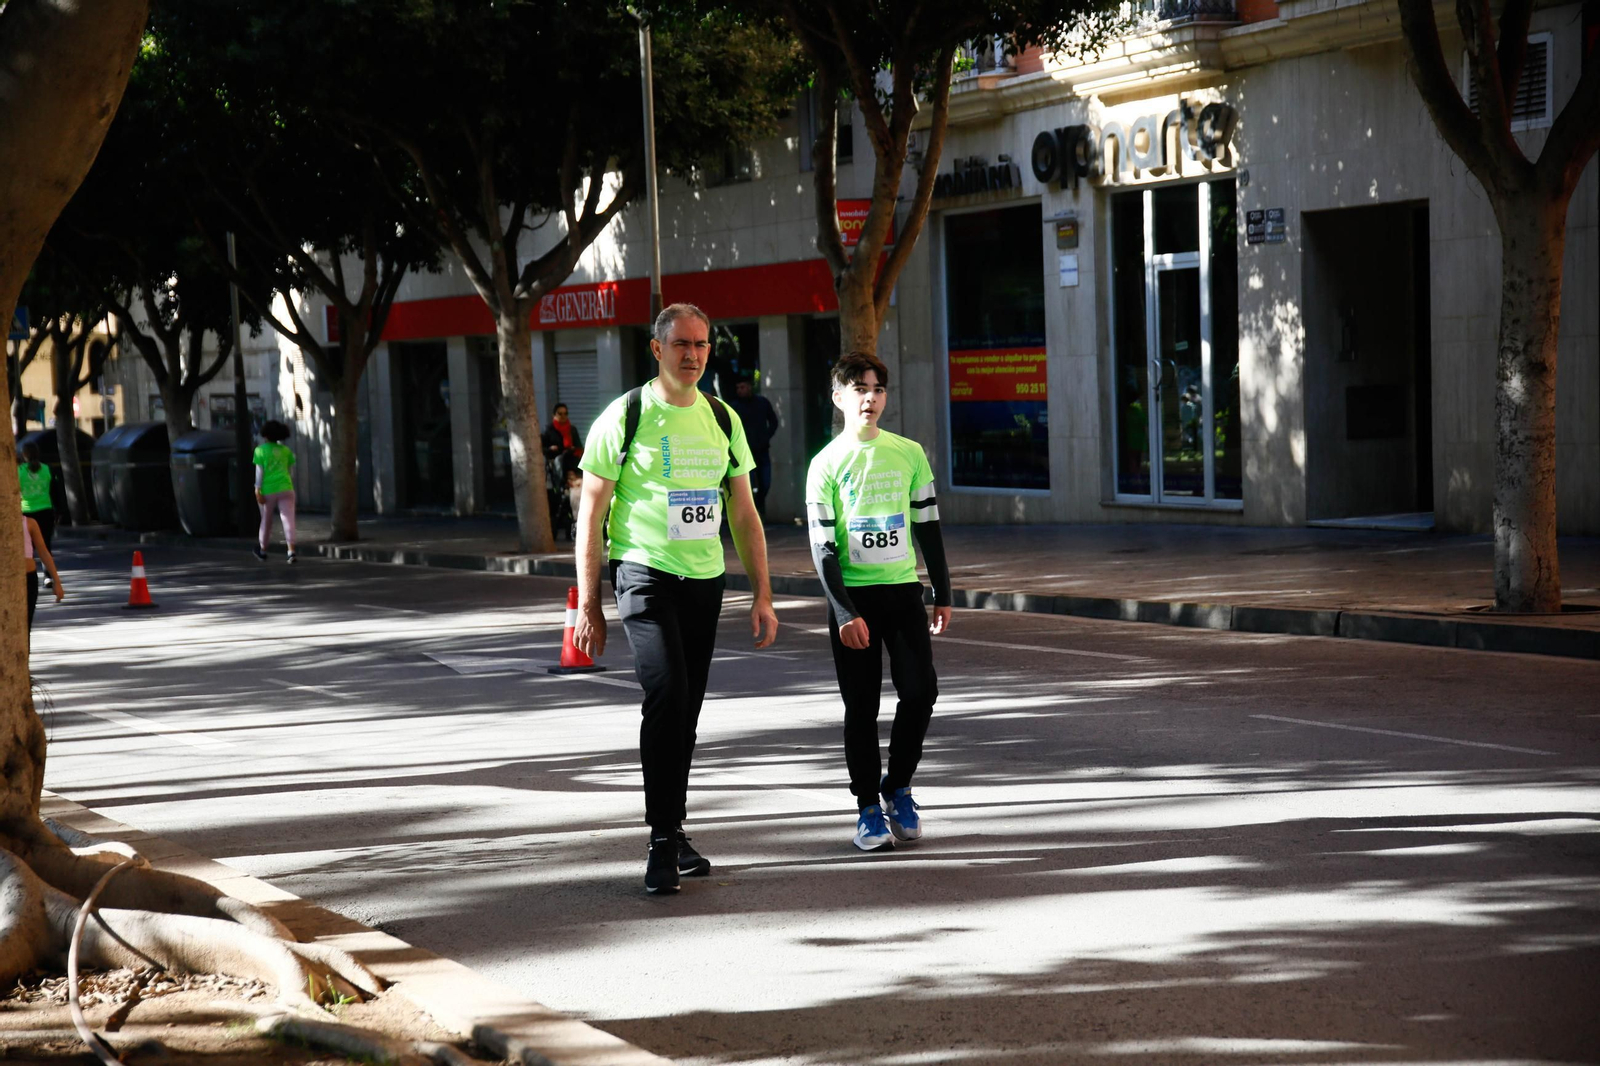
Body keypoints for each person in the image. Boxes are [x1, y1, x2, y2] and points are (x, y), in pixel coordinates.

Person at [574, 302, 780, 895]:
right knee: (666, 694)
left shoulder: (722, 416)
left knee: (686, 707)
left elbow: (742, 509)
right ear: (656, 349)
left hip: (705, 577)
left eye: (702, 345)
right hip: (643, 570)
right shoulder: (626, 415)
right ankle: (661, 837)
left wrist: (762, 593)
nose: (693, 355)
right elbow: (592, 512)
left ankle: (676, 824)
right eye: (682, 344)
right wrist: (591, 603)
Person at [805, 351, 952, 852]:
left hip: (902, 591)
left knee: (921, 692)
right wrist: (844, 610)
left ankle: (899, 787)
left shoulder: (908, 453)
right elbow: (822, 547)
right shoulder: (825, 463)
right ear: (839, 396)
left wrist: (942, 591)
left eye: (878, 389)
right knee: (861, 706)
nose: (870, 398)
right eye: (860, 388)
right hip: (853, 598)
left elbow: (928, 526)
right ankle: (868, 806)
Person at [727, 377, 780, 519]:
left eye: (742, 387)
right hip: (744, 453)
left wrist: (765, 437)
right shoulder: (734, 406)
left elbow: (774, 422)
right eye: (738, 388)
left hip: (762, 450)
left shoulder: (762, 403)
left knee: (765, 483)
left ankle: (758, 505)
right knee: (747, 486)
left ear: (750, 387)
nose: (740, 390)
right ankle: (751, 513)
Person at [252, 420, 297, 563]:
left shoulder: (260, 450)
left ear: (265, 435)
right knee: (288, 520)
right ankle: (291, 551)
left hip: (268, 490)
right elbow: (291, 472)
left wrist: (257, 490)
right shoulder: (286, 451)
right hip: (286, 488)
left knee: (266, 521)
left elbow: (259, 473)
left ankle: (263, 550)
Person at [22, 511, 64, 638]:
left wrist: (57, 581)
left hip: (28, 577)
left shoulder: (29, 523)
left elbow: (44, 552)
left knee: (25, 625)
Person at [19, 441, 54, 551]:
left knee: (28, 548)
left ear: (24, 454)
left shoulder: (18, 470)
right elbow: (54, 490)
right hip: (45, 510)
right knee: (45, 546)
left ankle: (31, 568)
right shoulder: (47, 468)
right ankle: (48, 568)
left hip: (26, 511)